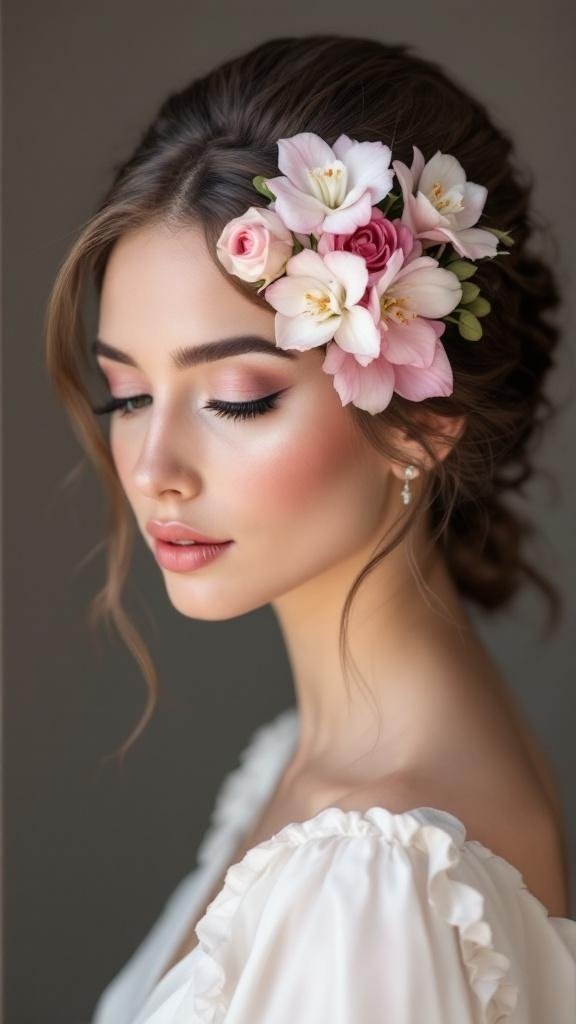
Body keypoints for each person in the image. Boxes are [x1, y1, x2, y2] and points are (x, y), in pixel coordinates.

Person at [45, 33, 576, 1024]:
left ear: (420, 416)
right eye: (126, 394)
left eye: (239, 399)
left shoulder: (374, 886)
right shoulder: (308, 767)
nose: (153, 470)